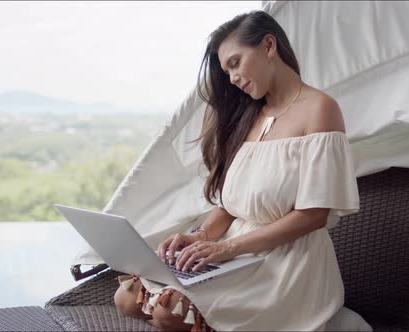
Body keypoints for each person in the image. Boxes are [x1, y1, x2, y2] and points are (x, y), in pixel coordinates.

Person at [114, 9, 361, 331]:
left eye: (235, 63)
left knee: (167, 312)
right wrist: (199, 237)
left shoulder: (320, 109)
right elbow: (230, 207)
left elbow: (313, 215)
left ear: (268, 45)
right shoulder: (249, 116)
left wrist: (227, 248)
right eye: (226, 71)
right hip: (232, 255)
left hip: (284, 265)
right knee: (126, 296)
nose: (232, 78)